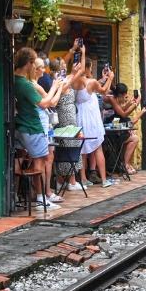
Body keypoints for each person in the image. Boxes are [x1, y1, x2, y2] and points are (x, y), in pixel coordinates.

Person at [12, 47, 59, 210]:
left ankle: (15, 196)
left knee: (18, 160)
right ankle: (40, 199)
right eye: (34, 64)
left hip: (19, 126)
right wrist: (55, 86)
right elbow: (45, 103)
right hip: (31, 126)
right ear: (29, 64)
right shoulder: (25, 84)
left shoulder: (13, 80)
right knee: (41, 160)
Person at [28, 56, 67, 207]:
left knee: (46, 158)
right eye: (41, 68)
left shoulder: (34, 84)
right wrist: (56, 87)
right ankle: (42, 194)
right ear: (35, 69)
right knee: (43, 159)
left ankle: (44, 193)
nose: (44, 71)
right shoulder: (34, 86)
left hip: (43, 124)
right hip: (41, 125)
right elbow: (52, 102)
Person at [74, 58, 115, 187]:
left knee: (83, 149)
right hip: (91, 118)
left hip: (80, 116)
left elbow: (92, 88)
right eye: (90, 67)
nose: (91, 70)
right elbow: (103, 91)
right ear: (86, 68)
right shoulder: (90, 82)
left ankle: (83, 178)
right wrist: (110, 78)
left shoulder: (75, 81)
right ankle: (104, 179)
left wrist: (102, 79)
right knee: (98, 147)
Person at [51, 51, 86, 192]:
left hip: (70, 114)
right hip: (65, 116)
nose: (65, 67)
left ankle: (67, 180)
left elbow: (79, 70)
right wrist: (82, 54)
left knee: (71, 142)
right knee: (68, 143)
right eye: (63, 65)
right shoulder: (61, 83)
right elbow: (81, 70)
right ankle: (68, 181)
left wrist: (80, 53)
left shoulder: (63, 80)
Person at [104, 84, 144, 175]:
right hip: (109, 127)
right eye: (124, 96)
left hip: (114, 124)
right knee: (134, 138)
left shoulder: (115, 98)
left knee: (132, 137)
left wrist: (130, 104)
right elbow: (123, 114)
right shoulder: (112, 98)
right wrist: (135, 105)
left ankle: (126, 164)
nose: (125, 98)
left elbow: (120, 110)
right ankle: (125, 165)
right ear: (121, 95)